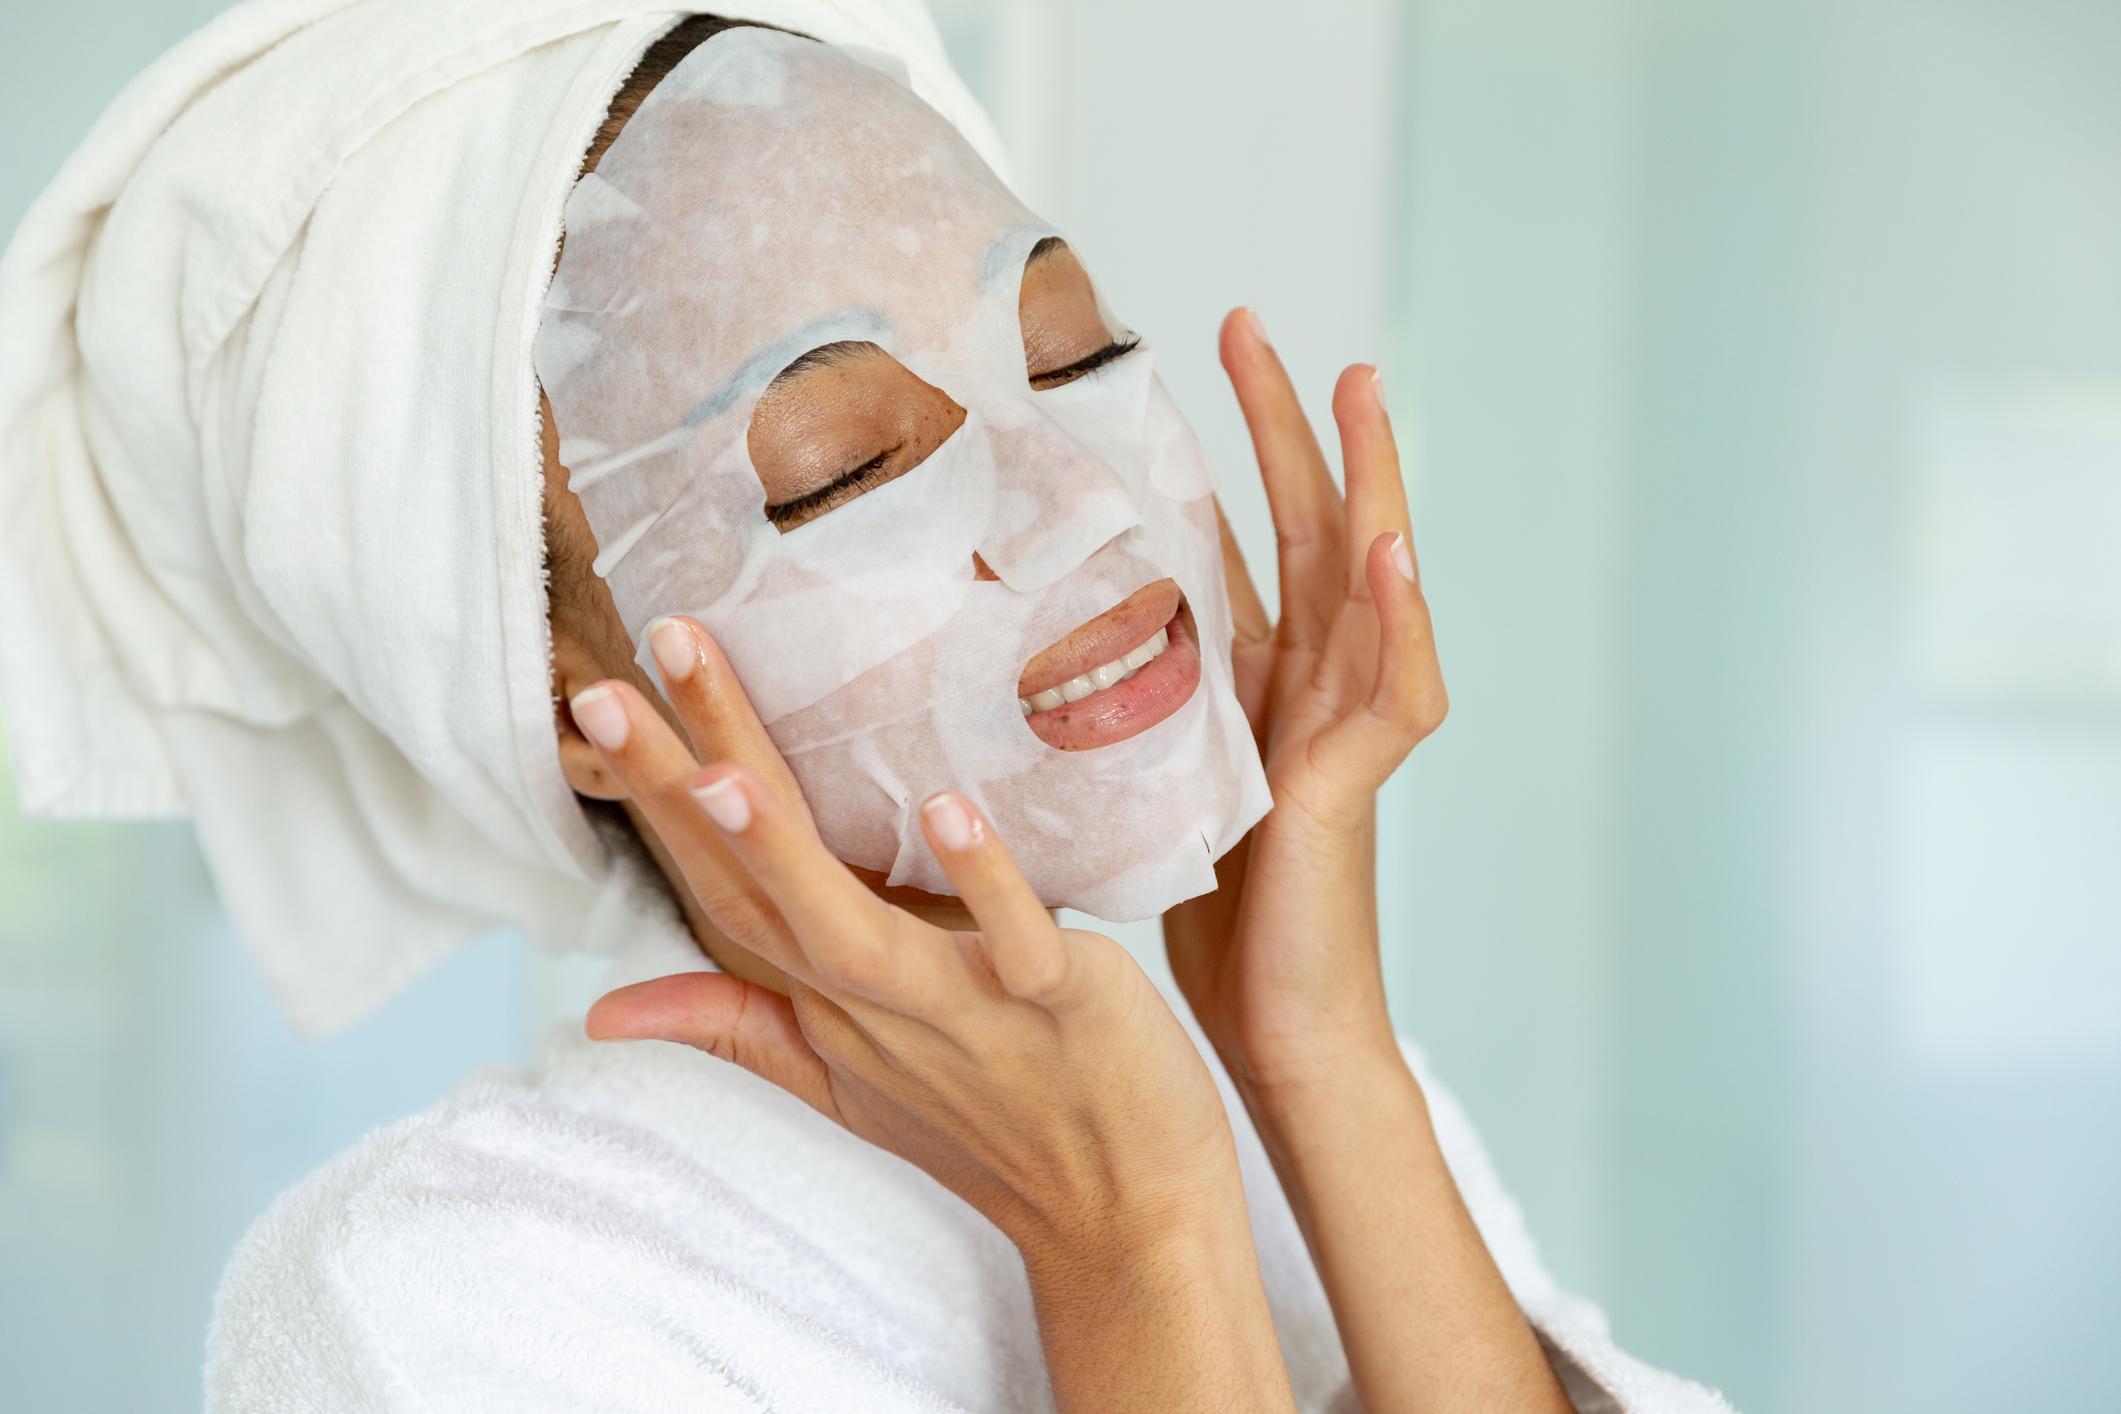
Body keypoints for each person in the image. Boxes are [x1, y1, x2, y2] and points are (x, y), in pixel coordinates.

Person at [0, 3, 1731, 1411]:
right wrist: (1132, 1234)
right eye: (847, 467)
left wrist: (1320, 1056)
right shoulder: (445, 1295)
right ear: (583, 706)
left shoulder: (1283, 1101)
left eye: (1070, 354)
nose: (1081, 502)